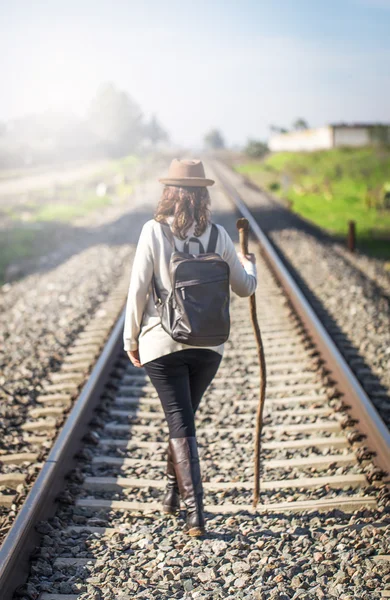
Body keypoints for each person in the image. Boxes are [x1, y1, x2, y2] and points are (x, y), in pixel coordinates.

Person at [123, 158, 257, 536]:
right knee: (181, 419)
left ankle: (195, 514)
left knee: (180, 421)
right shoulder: (218, 236)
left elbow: (137, 290)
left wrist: (130, 340)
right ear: (203, 196)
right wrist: (251, 265)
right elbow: (245, 287)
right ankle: (171, 493)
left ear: (169, 193)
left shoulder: (153, 231)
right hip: (208, 347)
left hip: (162, 345)